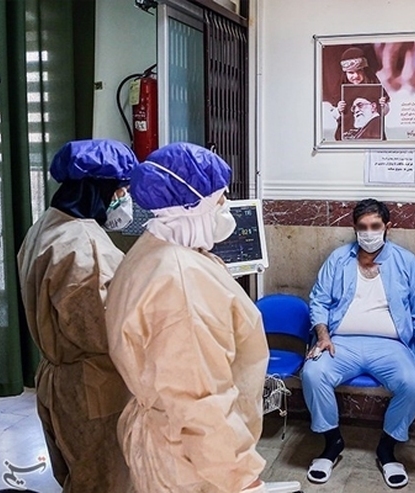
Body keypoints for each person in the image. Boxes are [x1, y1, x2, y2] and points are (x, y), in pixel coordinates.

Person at [105, 143, 270, 493]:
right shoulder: (179, 282)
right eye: (220, 199)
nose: (226, 208)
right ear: (192, 206)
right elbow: (199, 400)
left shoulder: (156, 250)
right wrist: (241, 475)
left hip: (177, 443)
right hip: (193, 460)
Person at [17, 139, 138, 492]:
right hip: (94, 388)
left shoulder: (46, 225)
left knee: (75, 475)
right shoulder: (83, 244)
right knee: (103, 482)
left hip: (57, 380)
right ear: (96, 187)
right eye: (119, 189)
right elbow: (100, 332)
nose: (122, 198)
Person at [303, 199, 415, 489]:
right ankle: (332, 442)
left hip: (391, 346)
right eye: (362, 227)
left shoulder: (406, 262)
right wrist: (323, 337)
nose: (368, 232)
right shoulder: (338, 259)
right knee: (313, 373)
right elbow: (319, 300)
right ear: (354, 228)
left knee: (414, 384)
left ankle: (387, 448)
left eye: (375, 226)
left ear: (388, 227)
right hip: (340, 343)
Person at [329, 46, 390, 140]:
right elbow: (333, 112)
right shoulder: (340, 90)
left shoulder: (373, 85)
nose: (356, 75)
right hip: (347, 136)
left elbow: (384, 111)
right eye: (351, 73)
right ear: (345, 73)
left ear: (365, 71)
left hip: (372, 134)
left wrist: (383, 105)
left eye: (359, 71)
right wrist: (338, 110)